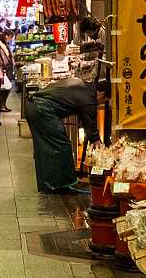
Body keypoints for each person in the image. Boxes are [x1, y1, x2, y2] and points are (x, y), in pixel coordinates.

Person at [25, 15, 107, 194]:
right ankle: (64, 184)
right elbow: (89, 120)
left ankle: (49, 184)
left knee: (45, 149)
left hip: (34, 106)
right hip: (42, 110)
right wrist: (95, 140)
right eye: (102, 100)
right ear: (101, 93)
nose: (99, 103)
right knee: (60, 145)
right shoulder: (88, 94)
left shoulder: (81, 85)